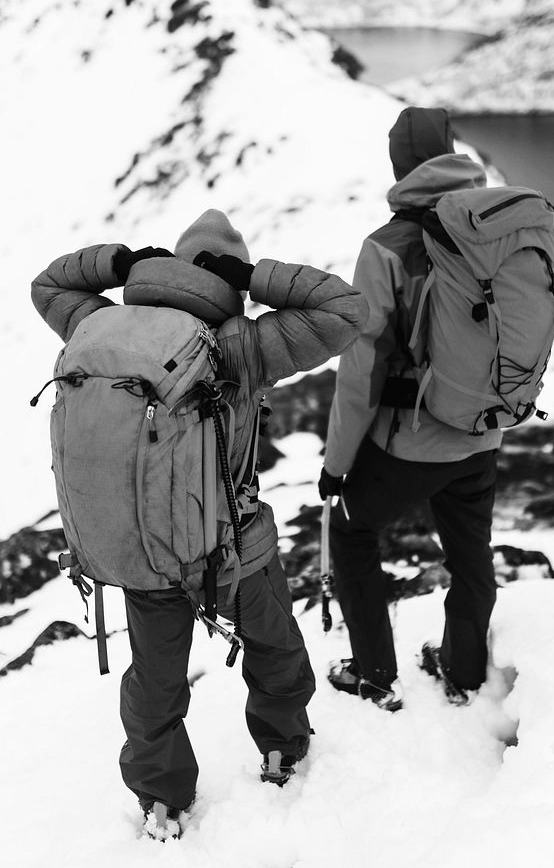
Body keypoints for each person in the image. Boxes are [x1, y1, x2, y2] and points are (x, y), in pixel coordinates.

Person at [32, 209, 369, 838]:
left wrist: (119, 264)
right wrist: (251, 276)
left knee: (155, 681)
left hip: (149, 553)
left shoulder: (99, 325)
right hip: (235, 550)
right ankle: (281, 748)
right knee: (276, 651)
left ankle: (162, 799)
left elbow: (48, 286)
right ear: (226, 284)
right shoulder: (242, 346)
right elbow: (344, 309)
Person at [318, 107, 501, 712]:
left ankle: (375, 674)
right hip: (482, 433)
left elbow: (361, 369)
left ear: (400, 164)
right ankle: (466, 672)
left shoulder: (388, 246)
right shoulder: (494, 228)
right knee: (470, 556)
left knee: (352, 531)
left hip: (414, 442)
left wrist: (338, 462)